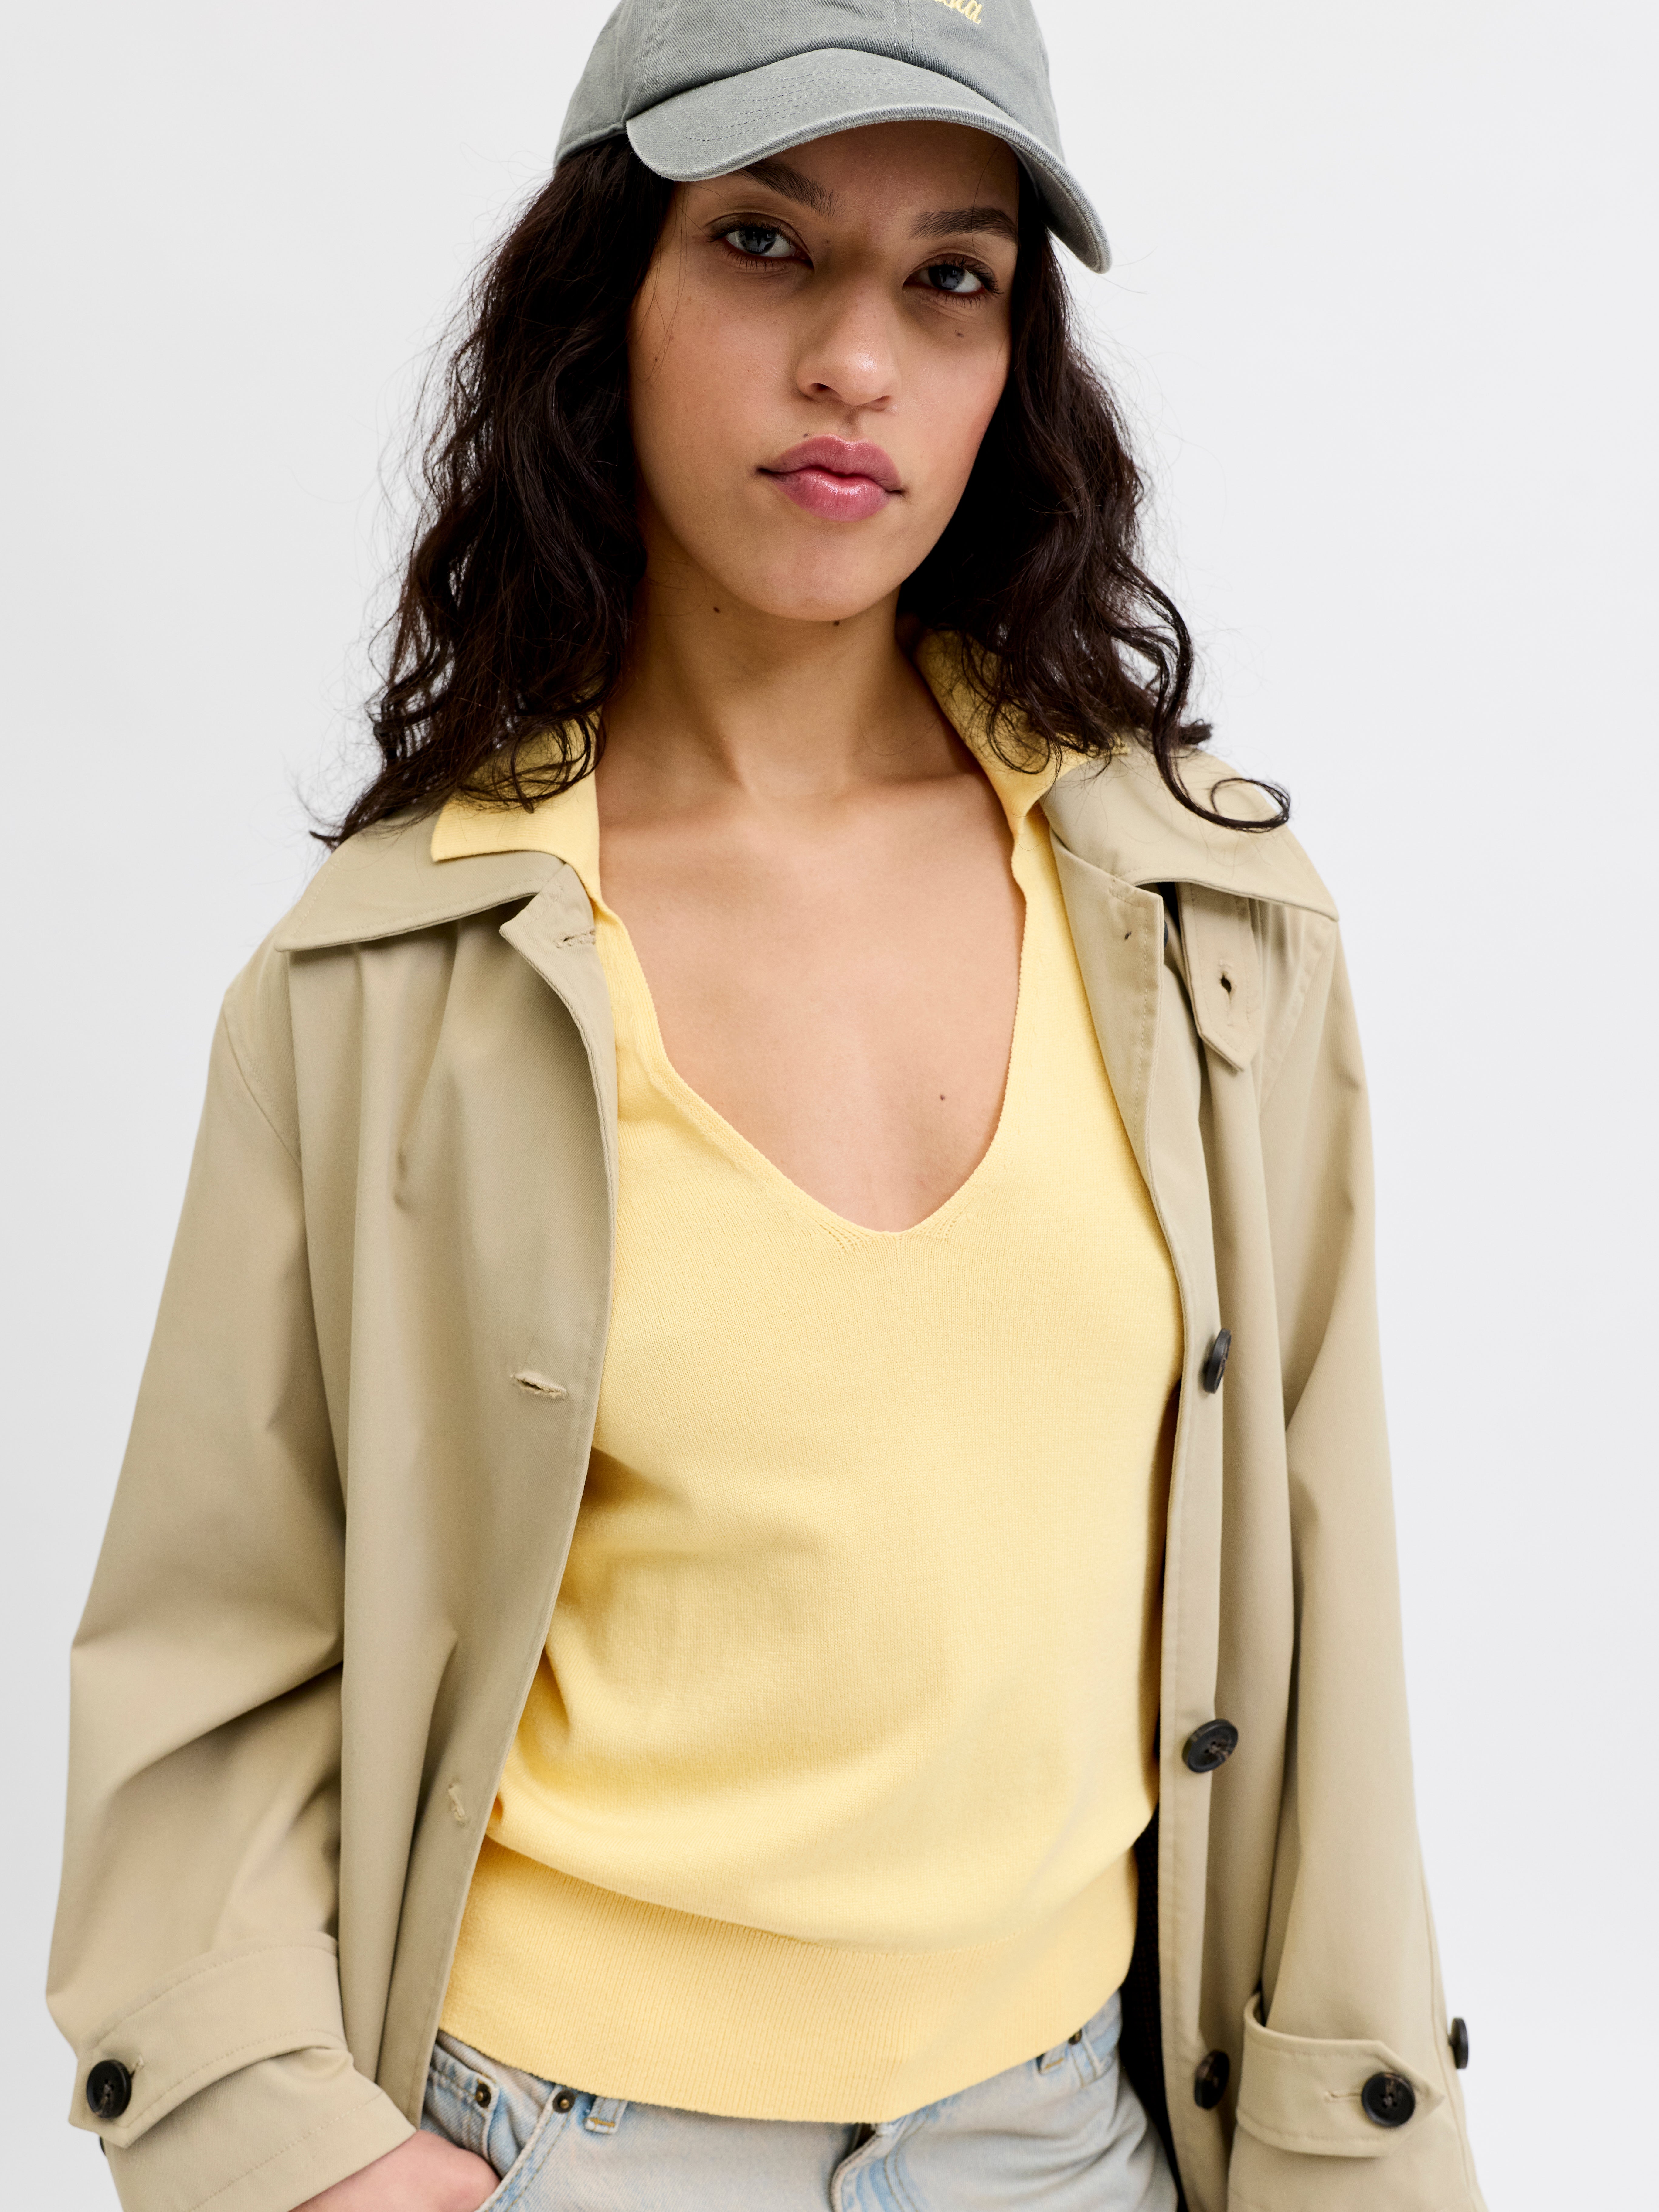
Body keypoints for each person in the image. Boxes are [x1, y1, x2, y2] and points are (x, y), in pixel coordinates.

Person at [48, 4, 1486, 2209]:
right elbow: (211, 1641)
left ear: (1015, 363)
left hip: (1069, 2138)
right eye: (762, 244)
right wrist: (302, 2155)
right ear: (598, 304)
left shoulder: (1210, 926)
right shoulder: (390, 980)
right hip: (550, 2144)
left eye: (950, 276)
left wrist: (1360, 2156)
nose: (856, 362)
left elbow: (1325, 1627)